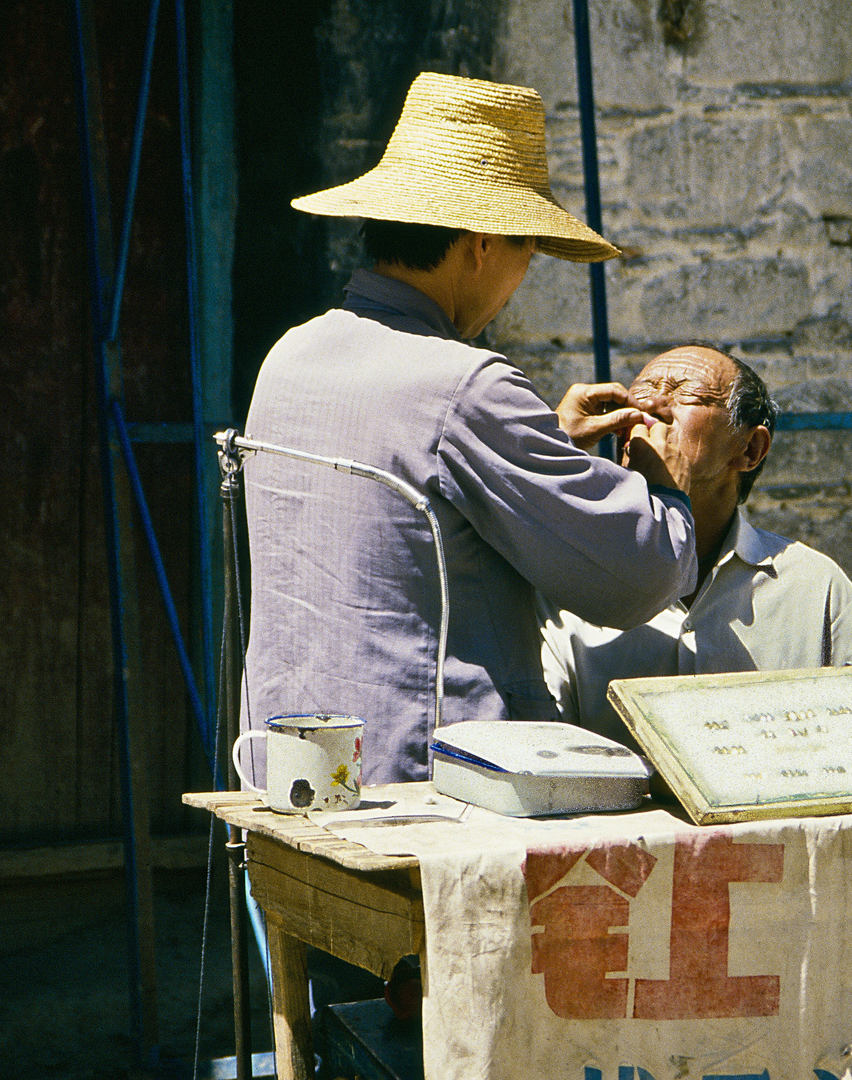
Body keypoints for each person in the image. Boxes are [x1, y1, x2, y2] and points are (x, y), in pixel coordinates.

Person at [241, 72, 699, 785]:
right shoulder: (464, 386)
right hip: (430, 787)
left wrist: (541, 444)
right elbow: (637, 578)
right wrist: (662, 480)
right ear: (482, 245)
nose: (521, 277)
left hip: (294, 770)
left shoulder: (291, 355)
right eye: (527, 254)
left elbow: (407, 512)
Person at [541, 346, 852, 743]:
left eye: (686, 394)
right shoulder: (570, 580)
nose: (653, 405)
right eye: (643, 390)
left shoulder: (813, 586)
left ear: (750, 449)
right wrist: (550, 448)